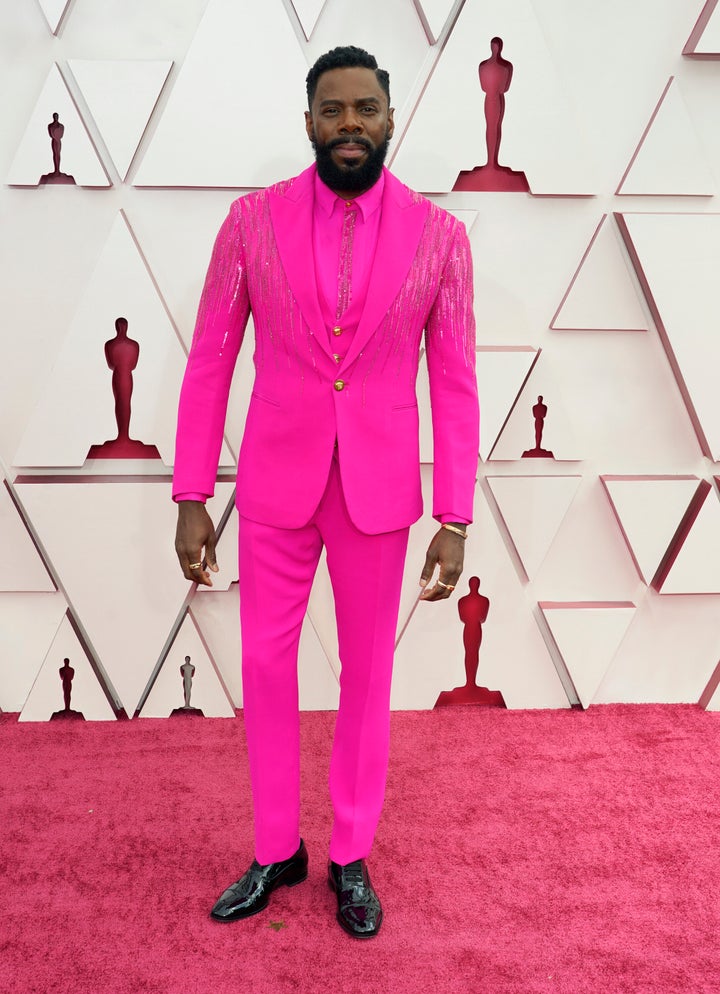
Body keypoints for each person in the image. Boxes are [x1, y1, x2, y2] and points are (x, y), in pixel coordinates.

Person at [173, 46, 479, 939]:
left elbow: (454, 383)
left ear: (391, 119)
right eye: (334, 109)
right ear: (307, 121)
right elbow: (210, 362)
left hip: (379, 491)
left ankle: (350, 854)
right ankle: (277, 849)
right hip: (275, 480)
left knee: (366, 674)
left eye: (366, 109)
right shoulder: (249, 224)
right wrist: (193, 493)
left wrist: (454, 515)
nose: (351, 124)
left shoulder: (441, 237)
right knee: (266, 667)